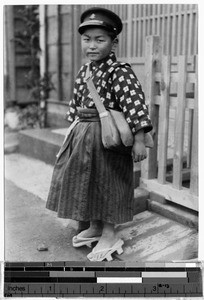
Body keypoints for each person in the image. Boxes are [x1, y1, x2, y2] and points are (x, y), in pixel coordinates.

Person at [46, 7, 153, 261]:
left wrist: (138, 140)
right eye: (87, 39)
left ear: (113, 42)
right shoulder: (84, 72)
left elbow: (135, 104)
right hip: (83, 135)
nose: (92, 46)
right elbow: (75, 106)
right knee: (87, 181)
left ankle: (109, 232)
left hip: (109, 138)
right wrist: (70, 134)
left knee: (109, 181)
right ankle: (94, 226)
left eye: (100, 39)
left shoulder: (120, 71)